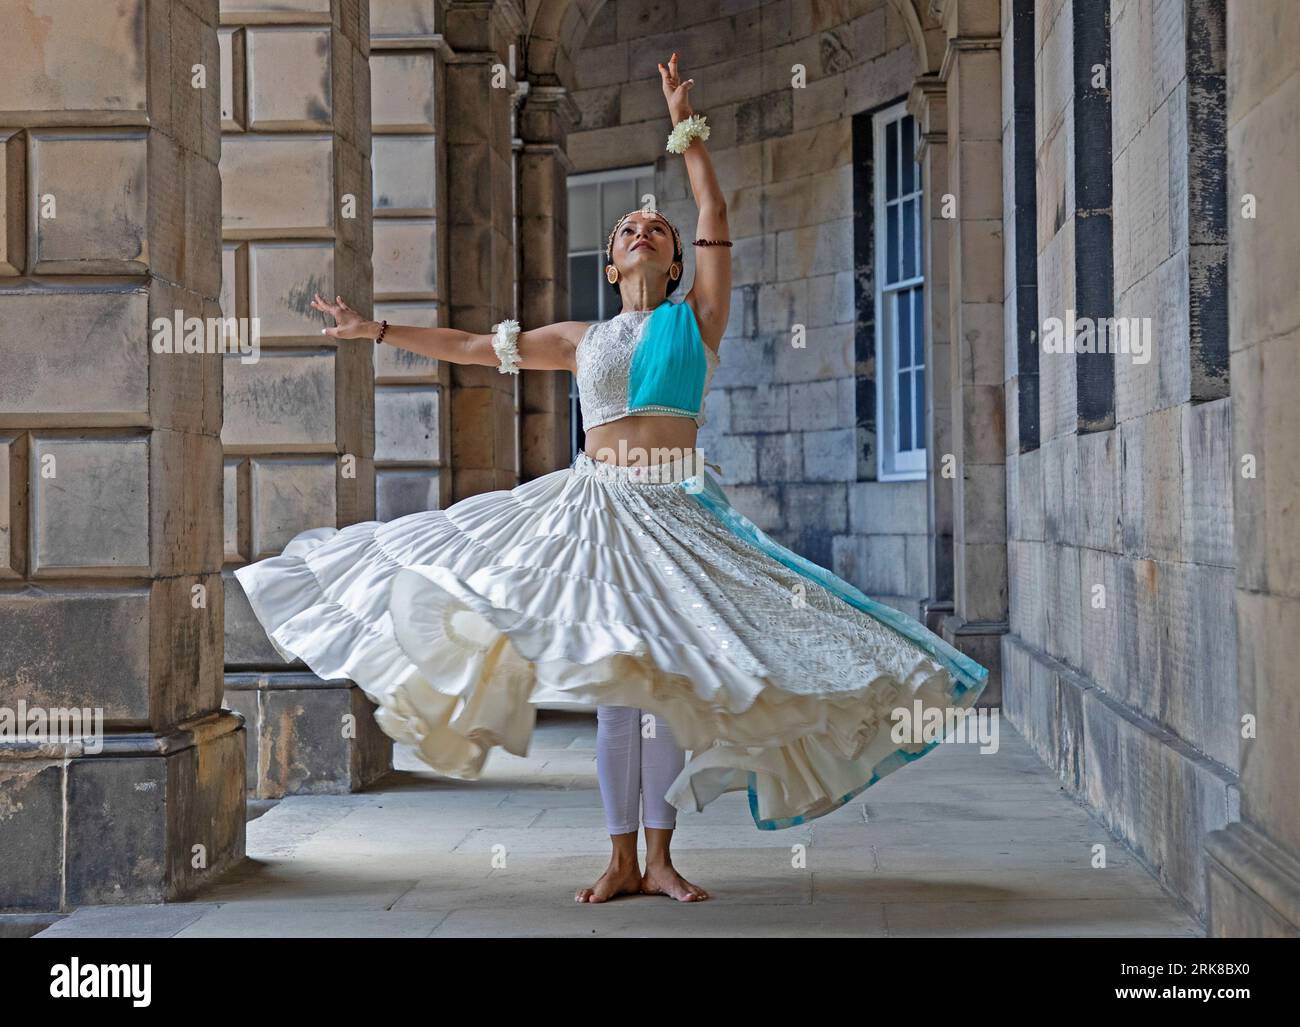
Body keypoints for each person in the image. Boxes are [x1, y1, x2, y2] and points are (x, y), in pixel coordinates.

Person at [234, 53, 988, 905]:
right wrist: (375, 329)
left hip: (676, 513)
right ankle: (619, 856)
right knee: (615, 698)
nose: (642, 228)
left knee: (661, 687)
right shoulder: (581, 337)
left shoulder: (695, 316)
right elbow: (478, 350)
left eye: (655, 230)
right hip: (593, 513)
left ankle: (660, 857)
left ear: (674, 263)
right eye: (630, 227)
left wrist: (682, 119)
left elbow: (711, 205)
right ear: (611, 262)